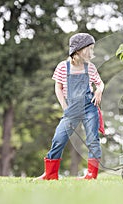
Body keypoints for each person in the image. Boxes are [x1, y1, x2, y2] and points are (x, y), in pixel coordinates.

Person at [35, 33, 105, 180]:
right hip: (71, 109)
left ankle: (91, 175)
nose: (92, 52)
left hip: (88, 107)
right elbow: (58, 88)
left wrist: (99, 90)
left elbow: (100, 82)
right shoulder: (63, 67)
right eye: (90, 49)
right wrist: (65, 107)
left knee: (92, 140)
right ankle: (50, 174)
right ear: (79, 50)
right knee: (59, 139)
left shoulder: (90, 68)